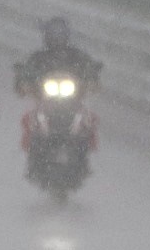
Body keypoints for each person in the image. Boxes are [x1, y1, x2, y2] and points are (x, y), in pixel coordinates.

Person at [13, 17, 103, 172]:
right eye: (54, 35)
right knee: (29, 120)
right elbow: (26, 73)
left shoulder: (76, 56)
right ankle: (33, 156)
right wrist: (23, 83)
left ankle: (84, 156)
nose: (57, 39)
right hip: (45, 102)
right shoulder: (39, 58)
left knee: (89, 120)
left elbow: (90, 70)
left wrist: (92, 79)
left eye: (60, 35)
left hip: (74, 101)